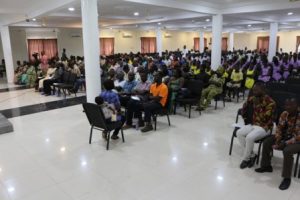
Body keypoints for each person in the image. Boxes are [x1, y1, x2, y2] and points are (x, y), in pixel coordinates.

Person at [255, 98, 300, 190]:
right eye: (286, 105)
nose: (288, 107)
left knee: (287, 151)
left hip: (297, 140)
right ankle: (266, 166)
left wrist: (284, 143)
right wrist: (278, 140)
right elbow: (279, 128)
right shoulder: (284, 114)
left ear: (297, 106)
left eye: (291, 105)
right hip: (285, 136)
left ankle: (286, 178)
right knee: (267, 141)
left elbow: (298, 136)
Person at [237, 83, 276, 169]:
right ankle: (253, 155)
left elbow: (265, 118)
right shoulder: (254, 98)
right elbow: (245, 106)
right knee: (239, 133)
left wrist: (258, 105)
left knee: (249, 138)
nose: (254, 92)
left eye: (256, 90)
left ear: (263, 90)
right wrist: (246, 106)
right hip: (254, 124)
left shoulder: (271, 102)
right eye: (253, 90)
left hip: (265, 127)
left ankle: (246, 159)